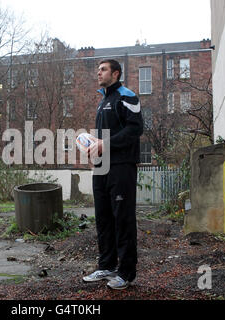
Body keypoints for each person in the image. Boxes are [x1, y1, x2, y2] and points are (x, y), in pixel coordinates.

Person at [82, 59, 144, 290]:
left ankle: (126, 273)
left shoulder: (127, 96)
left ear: (115, 73)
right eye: (98, 69)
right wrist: (93, 150)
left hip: (122, 166)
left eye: (103, 69)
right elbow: (102, 140)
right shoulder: (103, 101)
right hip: (102, 167)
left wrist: (104, 145)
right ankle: (106, 265)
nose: (98, 72)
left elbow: (135, 129)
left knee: (122, 218)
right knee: (103, 218)